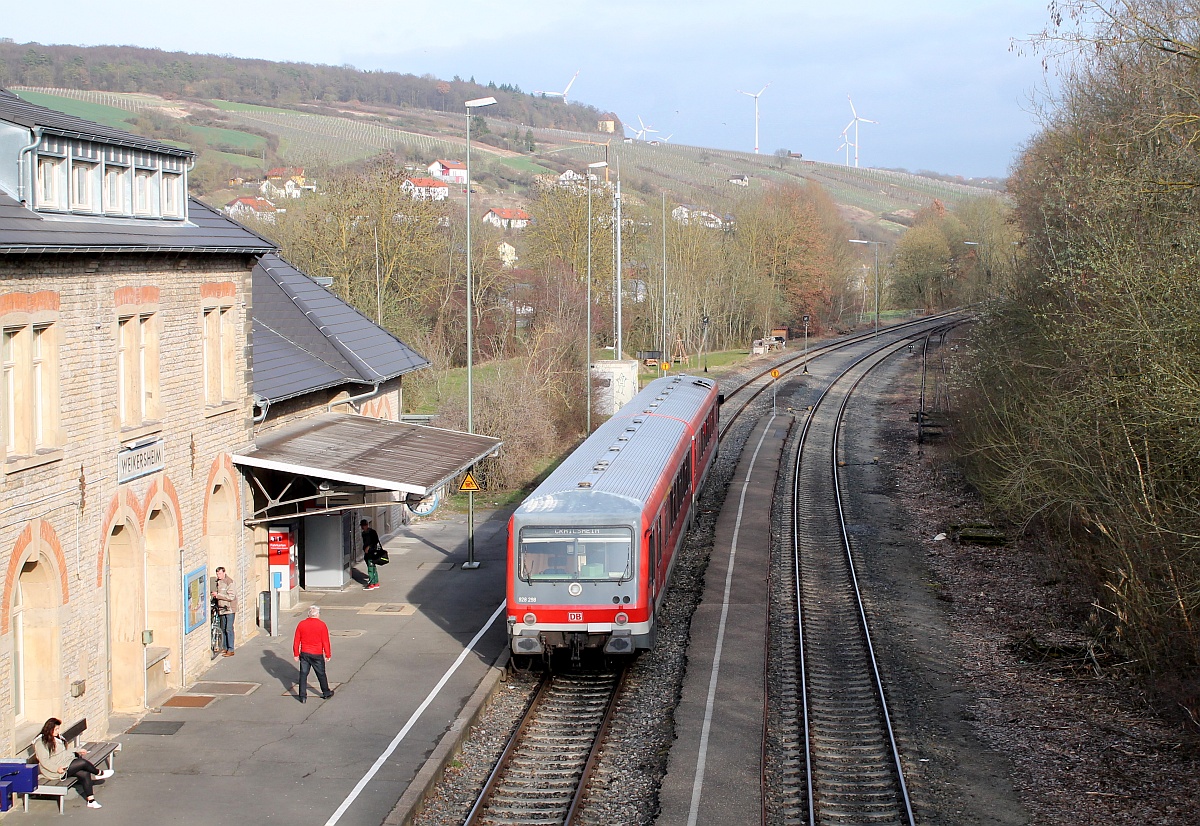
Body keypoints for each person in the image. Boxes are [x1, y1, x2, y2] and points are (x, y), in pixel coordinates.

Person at [34, 717, 113, 810]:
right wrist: (56, 769)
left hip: (63, 763)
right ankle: (99, 773)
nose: (58, 731)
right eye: (56, 729)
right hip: (54, 771)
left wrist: (77, 750)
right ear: (49, 729)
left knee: (84, 773)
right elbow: (44, 761)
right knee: (82, 763)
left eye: (58, 729)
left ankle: (91, 801)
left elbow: (64, 751)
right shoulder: (41, 742)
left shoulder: (56, 738)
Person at [292, 604, 333, 703]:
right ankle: (326, 692)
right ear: (317, 614)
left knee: (303, 674)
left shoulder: (301, 624)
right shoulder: (321, 625)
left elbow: (296, 640)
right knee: (321, 673)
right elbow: (325, 641)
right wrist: (328, 654)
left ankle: (302, 696)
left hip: (305, 653)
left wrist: (296, 654)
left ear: (309, 614)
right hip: (317, 653)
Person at [214, 566, 238, 655]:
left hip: (229, 609)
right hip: (222, 608)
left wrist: (218, 595)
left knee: (229, 629)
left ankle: (231, 649)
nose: (218, 575)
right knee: (223, 628)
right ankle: (224, 647)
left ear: (224, 573)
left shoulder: (230, 582)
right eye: (217, 574)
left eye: (219, 573)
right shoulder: (218, 582)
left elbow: (231, 597)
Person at [361, 519, 382, 590]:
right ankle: (376, 582)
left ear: (367, 525)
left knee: (371, 568)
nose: (363, 528)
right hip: (368, 553)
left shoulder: (372, 532)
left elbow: (375, 541)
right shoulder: (363, 533)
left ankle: (372, 583)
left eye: (363, 526)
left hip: (372, 552)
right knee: (372, 567)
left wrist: (368, 547)